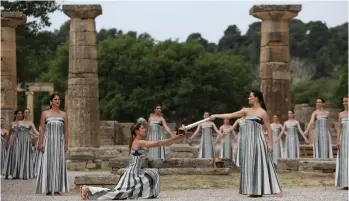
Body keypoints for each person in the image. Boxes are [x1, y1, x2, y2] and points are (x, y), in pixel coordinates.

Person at [80, 122, 184, 200]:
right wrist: (173, 139)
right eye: (142, 128)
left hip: (136, 172)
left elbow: (158, 143)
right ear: (137, 131)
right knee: (117, 194)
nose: (144, 129)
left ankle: (144, 194)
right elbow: (157, 144)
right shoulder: (137, 142)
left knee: (153, 173)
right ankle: (88, 188)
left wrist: (173, 137)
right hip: (132, 174)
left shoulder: (138, 141)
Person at [210, 90, 282, 197]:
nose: (248, 98)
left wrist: (270, 144)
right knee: (249, 165)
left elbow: (268, 129)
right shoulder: (246, 111)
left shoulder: (263, 112)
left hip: (259, 141)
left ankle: (274, 189)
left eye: (250, 96)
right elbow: (230, 115)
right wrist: (216, 115)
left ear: (256, 98)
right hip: (248, 142)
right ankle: (253, 190)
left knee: (262, 164)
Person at [36, 93, 69, 195]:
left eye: (59, 99)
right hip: (48, 141)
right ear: (51, 101)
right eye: (55, 99)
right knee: (48, 163)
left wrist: (66, 144)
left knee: (59, 163)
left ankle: (57, 188)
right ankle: (48, 188)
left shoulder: (64, 114)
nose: (58, 101)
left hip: (59, 142)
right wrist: (40, 143)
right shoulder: (45, 114)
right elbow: (42, 129)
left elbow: (66, 130)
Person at [17, 108, 39, 179]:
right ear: (23, 114)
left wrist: (41, 135)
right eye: (25, 112)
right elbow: (16, 132)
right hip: (20, 140)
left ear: (29, 114)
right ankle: (19, 173)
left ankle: (27, 173)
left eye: (28, 112)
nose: (26, 114)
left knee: (27, 155)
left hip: (27, 140)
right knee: (20, 155)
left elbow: (35, 131)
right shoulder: (19, 122)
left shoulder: (30, 123)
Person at [3, 110, 23, 179]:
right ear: (15, 115)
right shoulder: (12, 123)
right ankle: (10, 172)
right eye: (19, 113)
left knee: (19, 155)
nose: (20, 114)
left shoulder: (23, 123)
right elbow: (9, 133)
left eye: (21, 113)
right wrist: (6, 143)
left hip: (20, 141)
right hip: (12, 140)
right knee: (13, 155)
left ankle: (18, 173)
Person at [335, 95, 348, 190]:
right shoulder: (341, 114)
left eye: (346, 101)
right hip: (344, 139)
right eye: (343, 101)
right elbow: (339, 128)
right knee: (344, 160)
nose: (344, 103)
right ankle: (345, 183)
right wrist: (338, 140)